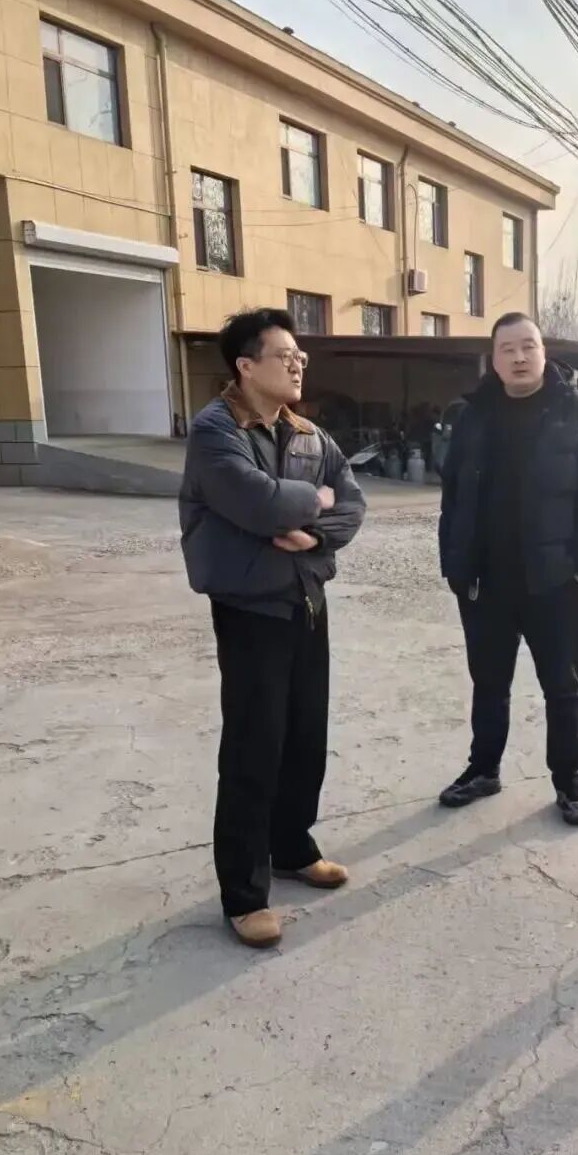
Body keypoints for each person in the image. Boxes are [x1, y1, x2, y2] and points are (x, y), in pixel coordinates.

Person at [180, 308, 365, 948]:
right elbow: (255, 501)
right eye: (284, 356)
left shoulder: (308, 433)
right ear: (246, 366)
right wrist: (314, 499)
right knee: (254, 747)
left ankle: (291, 846)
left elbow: (353, 500)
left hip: (306, 598)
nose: (297, 365)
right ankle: (244, 893)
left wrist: (313, 533)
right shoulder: (215, 430)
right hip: (250, 608)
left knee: (305, 736)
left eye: (299, 356)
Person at [438, 312, 578, 825]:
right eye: (507, 349)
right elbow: (452, 493)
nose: (519, 357)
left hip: (552, 582)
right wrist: (454, 565)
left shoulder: (577, 412)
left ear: (543, 353)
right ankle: (483, 770)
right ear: (493, 360)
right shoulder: (472, 415)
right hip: (485, 581)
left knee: (562, 687)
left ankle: (569, 784)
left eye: (528, 346)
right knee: (488, 683)